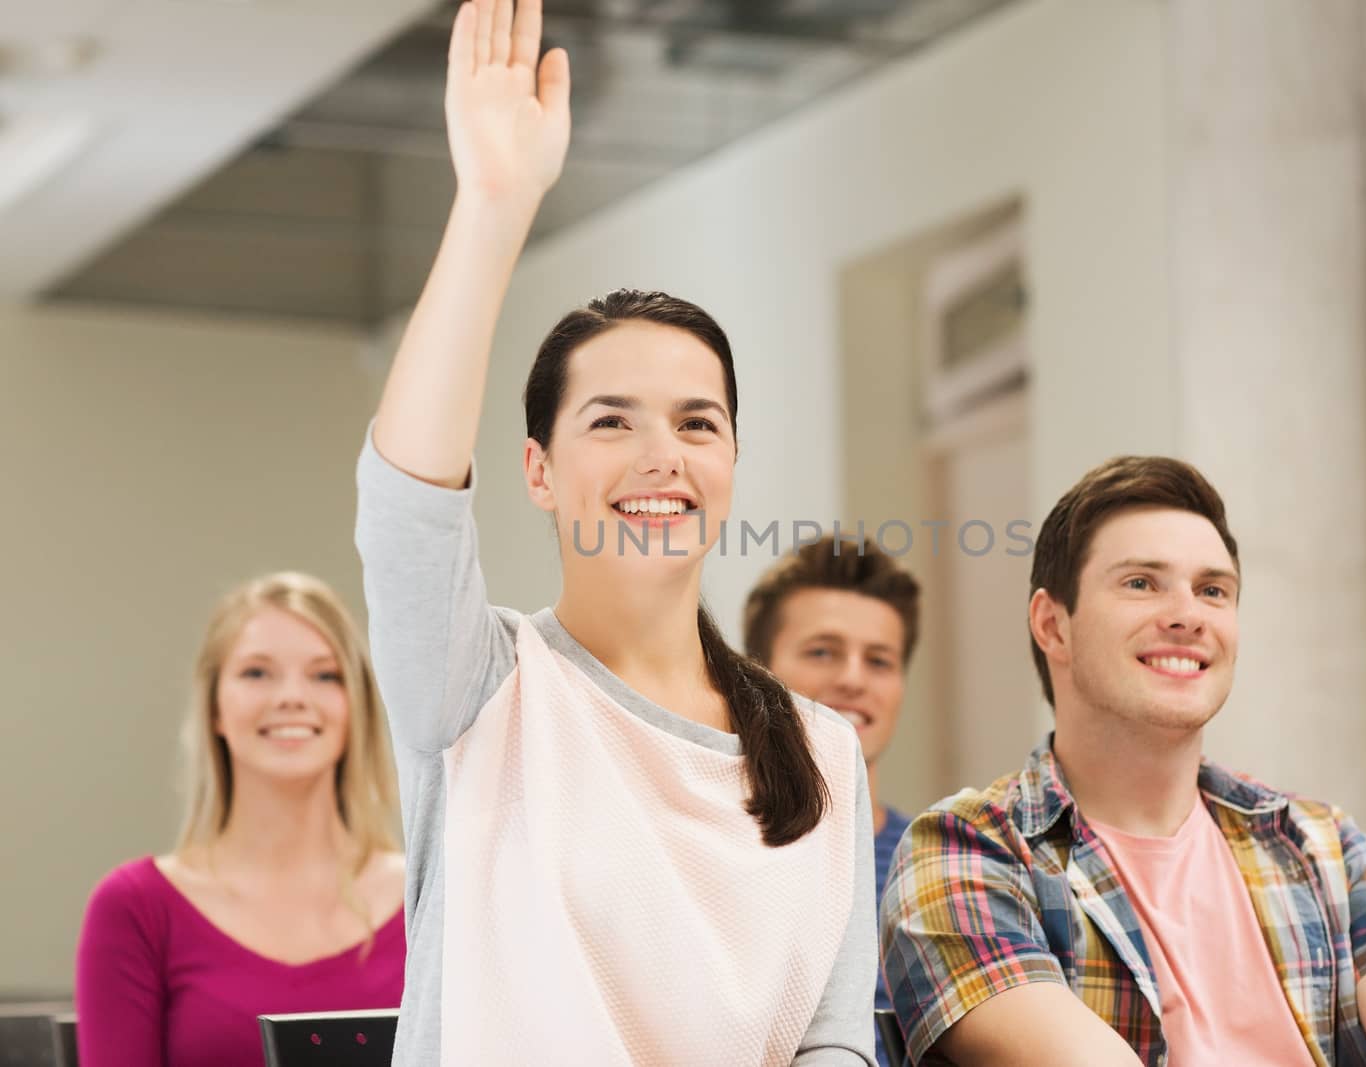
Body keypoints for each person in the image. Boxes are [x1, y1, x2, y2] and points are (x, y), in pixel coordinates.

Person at [354, 1, 874, 1062]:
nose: (661, 457)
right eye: (611, 421)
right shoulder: (479, 691)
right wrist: (492, 207)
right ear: (538, 470)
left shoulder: (823, 749)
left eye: (697, 423)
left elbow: (834, 1039)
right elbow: (407, 502)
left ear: (730, 462)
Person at [879, 456, 1366, 1066]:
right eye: (1141, 582)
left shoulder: (1318, 844)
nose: (1188, 613)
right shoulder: (966, 851)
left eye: (1213, 589)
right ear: (1052, 623)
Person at [76, 572, 405, 1067]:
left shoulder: (431, 898)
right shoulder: (136, 907)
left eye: (325, 675)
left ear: (354, 706)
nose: (292, 696)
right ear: (214, 709)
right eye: (257, 673)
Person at [743, 537, 921, 1066]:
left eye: (879, 660)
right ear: (756, 669)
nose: (852, 678)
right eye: (822, 651)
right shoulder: (713, 848)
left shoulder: (936, 863)